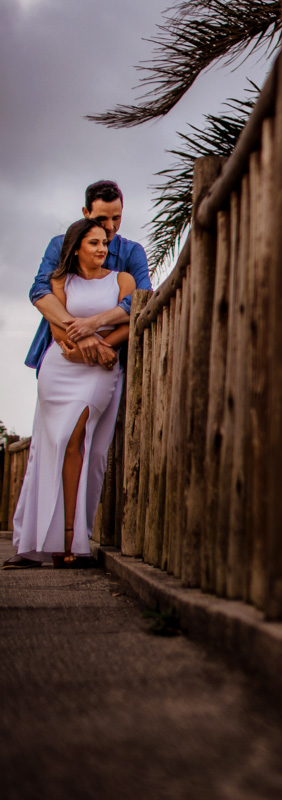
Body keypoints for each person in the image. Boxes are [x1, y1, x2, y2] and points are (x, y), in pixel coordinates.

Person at [4, 218, 135, 568]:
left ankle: (72, 542)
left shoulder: (122, 280)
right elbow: (57, 328)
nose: (102, 249)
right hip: (59, 369)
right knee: (53, 447)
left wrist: (103, 346)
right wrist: (84, 343)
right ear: (76, 247)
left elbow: (129, 320)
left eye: (105, 243)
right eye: (94, 242)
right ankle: (42, 543)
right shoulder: (60, 281)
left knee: (75, 438)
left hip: (100, 370)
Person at [25, 180, 151, 373]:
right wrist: (83, 336)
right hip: (65, 350)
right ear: (86, 213)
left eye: (116, 218)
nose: (110, 226)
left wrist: (94, 324)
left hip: (112, 359)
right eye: (102, 218)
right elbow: (40, 291)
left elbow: (142, 300)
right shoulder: (60, 246)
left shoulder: (132, 251)